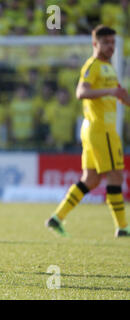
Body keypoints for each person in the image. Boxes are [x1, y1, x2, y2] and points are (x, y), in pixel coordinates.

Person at [46, 25, 130, 238]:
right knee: (116, 176)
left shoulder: (109, 67)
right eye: (106, 42)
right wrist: (111, 91)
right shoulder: (93, 66)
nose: (111, 46)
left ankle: (57, 218)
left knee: (91, 179)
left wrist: (119, 95)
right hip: (102, 129)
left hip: (96, 129)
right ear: (95, 43)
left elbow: (117, 94)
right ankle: (123, 227)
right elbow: (81, 92)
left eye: (113, 42)